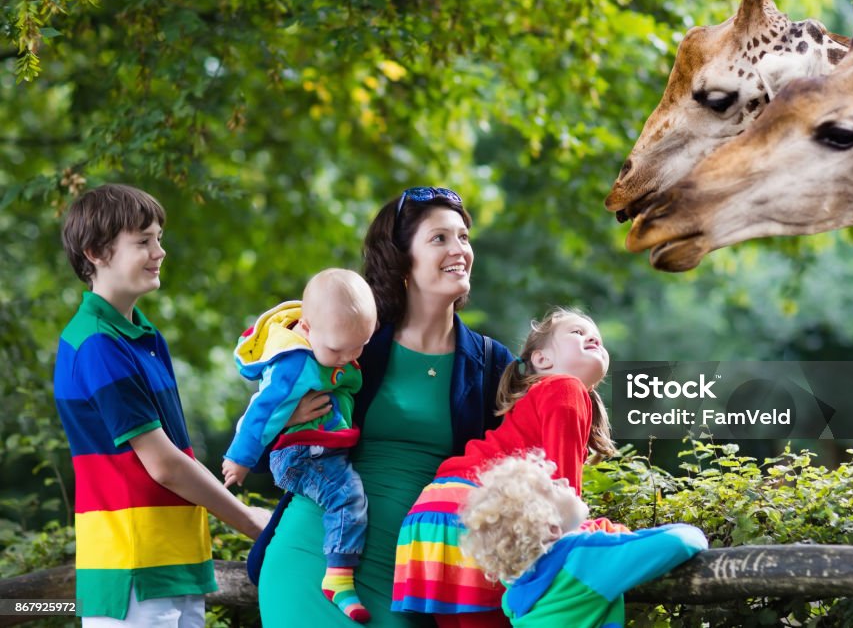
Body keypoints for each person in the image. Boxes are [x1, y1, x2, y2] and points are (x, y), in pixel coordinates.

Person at [254, 187, 515, 627]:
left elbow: (527, 455)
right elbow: (258, 446)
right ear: (401, 258)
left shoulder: (491, 364)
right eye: (440, 239)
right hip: (311, 561)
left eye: (464, 237)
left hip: (411, 585)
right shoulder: (353, 345)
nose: (459, 250)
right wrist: (286, 421)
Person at [53, 184, 272, 626]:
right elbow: (164, 464)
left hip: (175, 566)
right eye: (143, 241)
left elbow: (177, 457)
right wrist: (249, 521)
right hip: (132, 574)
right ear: (96, 251)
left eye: (159, 238)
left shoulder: (144, 337)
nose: (160, 251)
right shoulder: (96, 343)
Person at [391, 306, 617, 628]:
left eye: (596, 337)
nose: (592, 337)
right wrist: (590, 532)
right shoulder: (566, 388)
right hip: (477, 514)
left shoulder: (541, 396)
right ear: (542, 360)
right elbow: (562, 490)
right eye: (577, 332)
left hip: (435, 514)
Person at [222, 268, 377, 622]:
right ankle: (338, 576)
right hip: (301, 453)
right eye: (339, 349)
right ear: (306, 330)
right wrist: (240, 458)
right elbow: (262, 411)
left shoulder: (333, 341)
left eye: (359, 347)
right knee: (347, 496)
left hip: (319, 446)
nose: (348, 357)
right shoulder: (295, 363)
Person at [460, 452, 709, 627]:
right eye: (553, 487)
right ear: (551, 528)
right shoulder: (583, 559)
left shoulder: (517, 581)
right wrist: (698, 532)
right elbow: (679, 542)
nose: (565, 481)